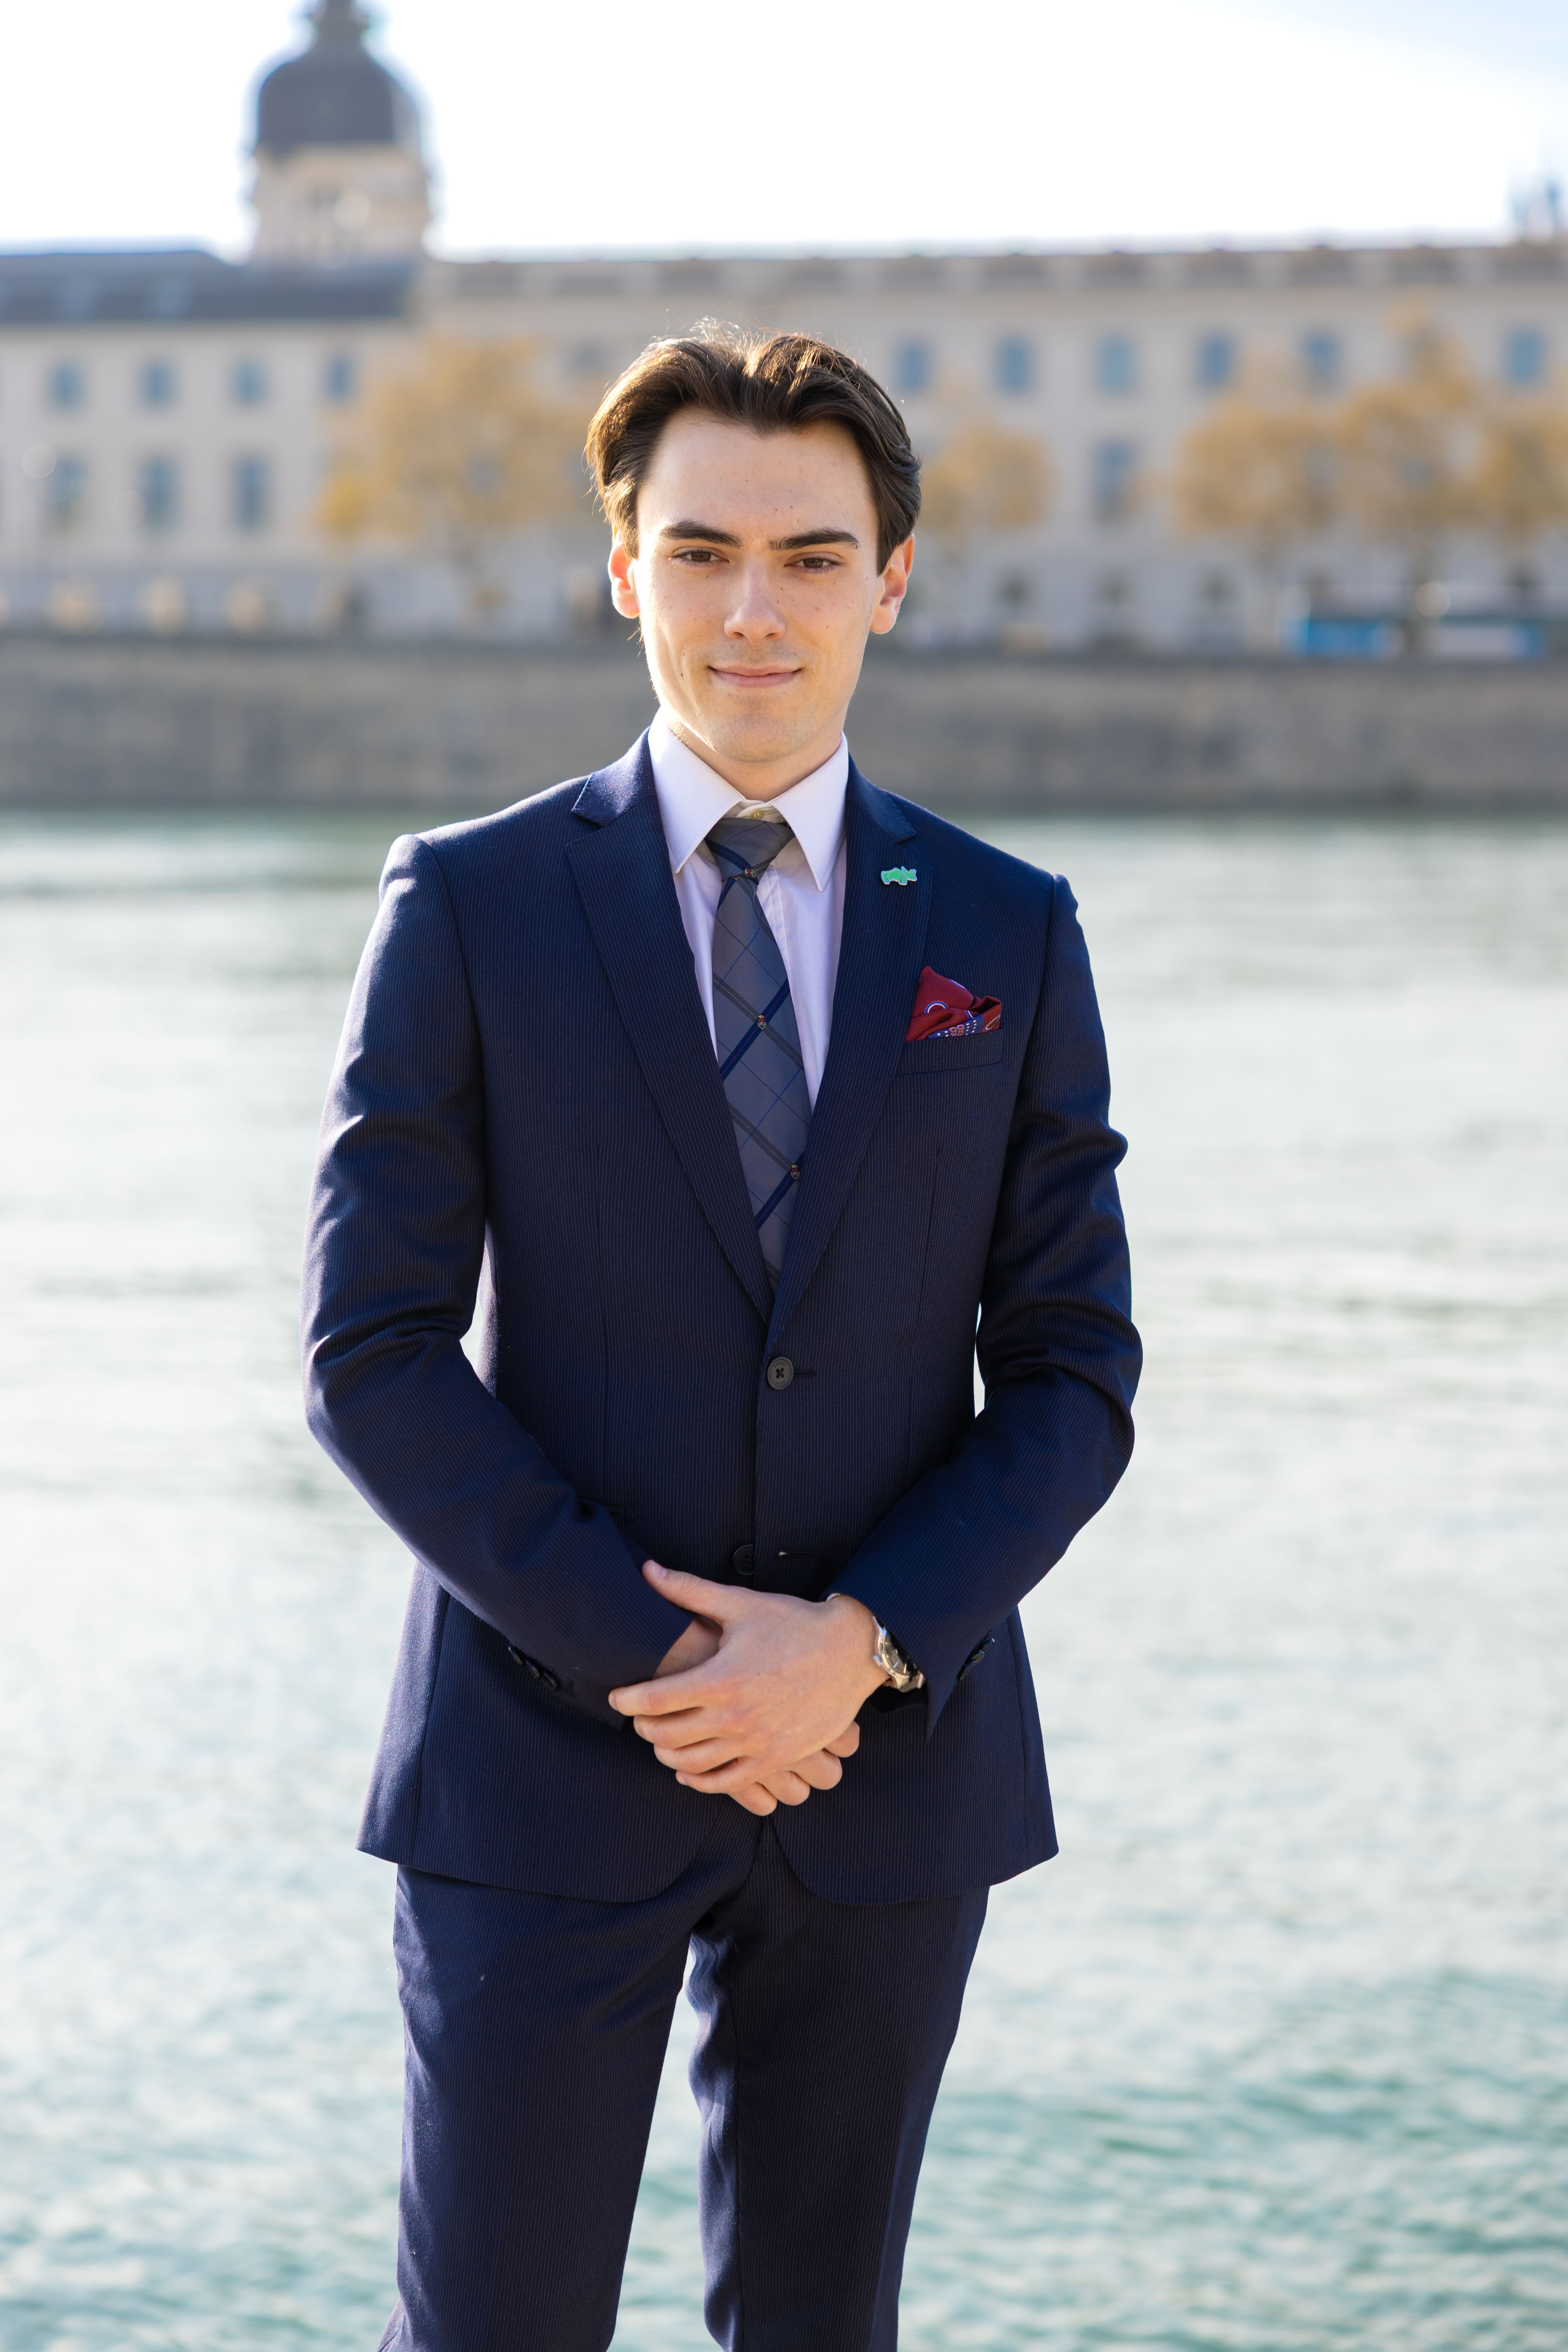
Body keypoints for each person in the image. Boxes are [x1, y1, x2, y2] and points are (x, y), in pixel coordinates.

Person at [302, 325, 1141, 2352]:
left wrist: (850, 1648)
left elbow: (1074, 1376)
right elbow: (373, 1350)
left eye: (810, 556)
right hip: (542, 1765)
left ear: (894, 579)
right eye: (698, 554)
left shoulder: (1010, 930)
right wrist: (673, 1661)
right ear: (622, 572)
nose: (752, 612)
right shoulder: (472, 904)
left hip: (889, 1770)